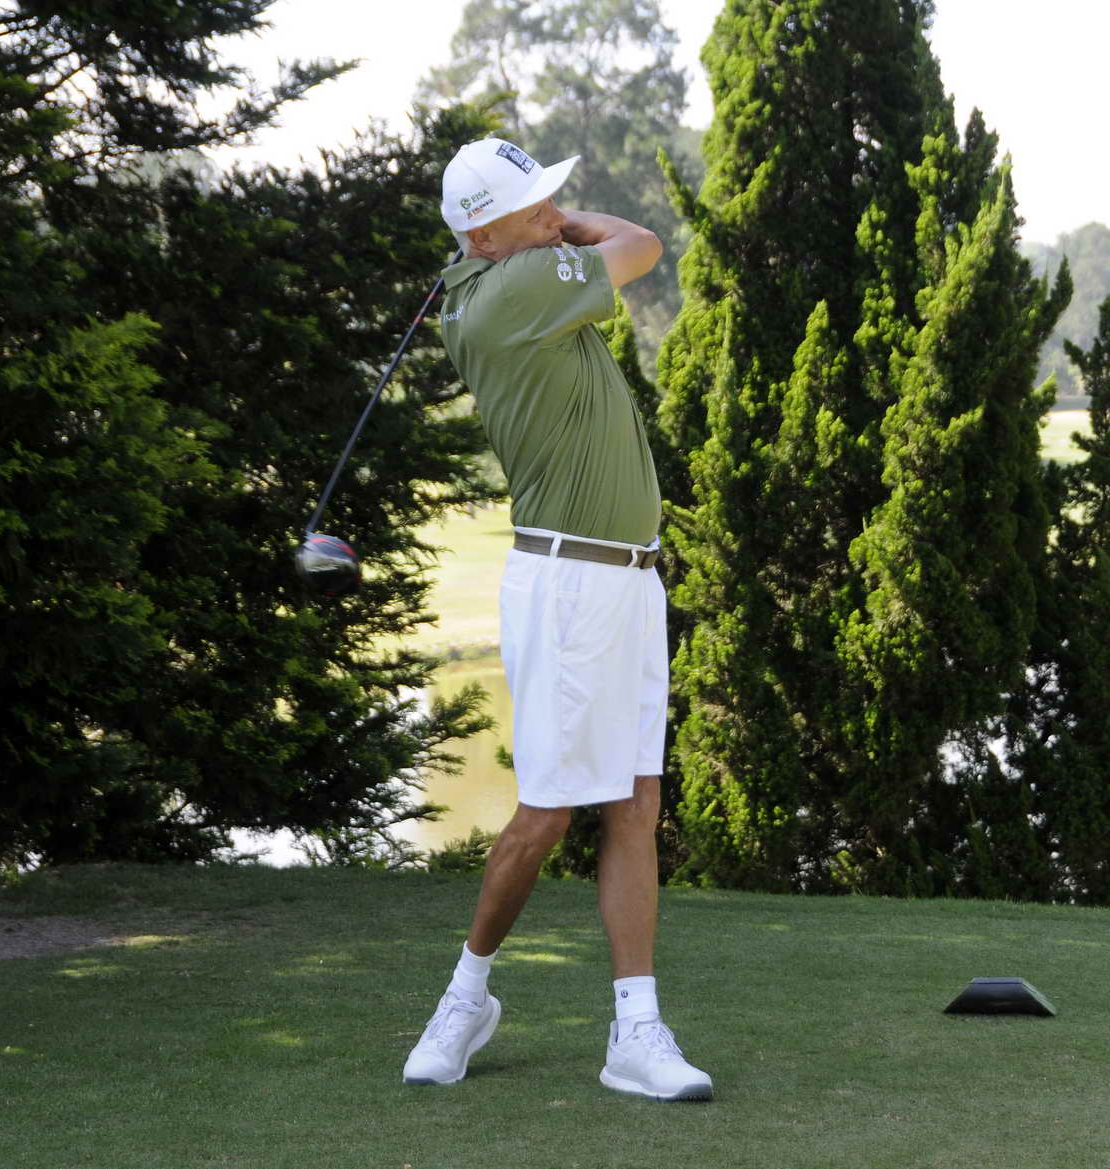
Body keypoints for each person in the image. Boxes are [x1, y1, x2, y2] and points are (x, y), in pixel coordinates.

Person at [400, 137, 711, 1103]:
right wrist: (567, 229)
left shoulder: (503, 276)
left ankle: (635, 1031)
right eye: (531, 208)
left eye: (551, 202)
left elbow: (616, 246)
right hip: (569, 585)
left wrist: (537, 225)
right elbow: (643, 243)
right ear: (484, 236)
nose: (552, 216)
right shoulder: (516, 289)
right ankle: (464, 997)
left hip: (628, 581)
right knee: (546, 813)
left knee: (636, 805)